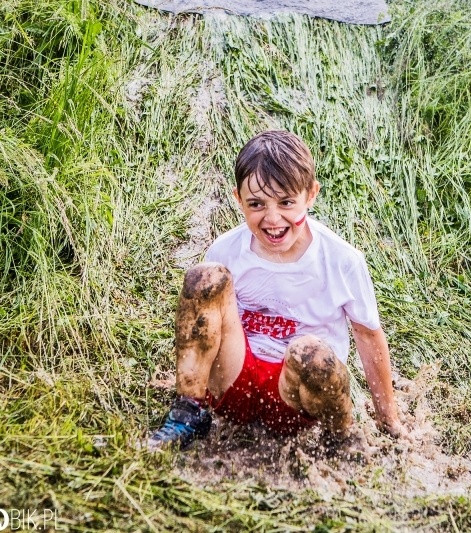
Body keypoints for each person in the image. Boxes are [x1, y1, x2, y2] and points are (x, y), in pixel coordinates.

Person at [148, 130, 407, 451]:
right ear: (238, 199)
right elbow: (204, 323)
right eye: (256, 204)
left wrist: (388, 419)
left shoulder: (342, 260)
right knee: (204, 277)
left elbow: (368, 336)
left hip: (300, 397)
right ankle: (189, 413)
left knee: (309, 353)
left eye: (286, 202)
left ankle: (341, 439)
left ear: (310, 195)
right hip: (236, 381)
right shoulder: (227, 249)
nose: (272, 219)